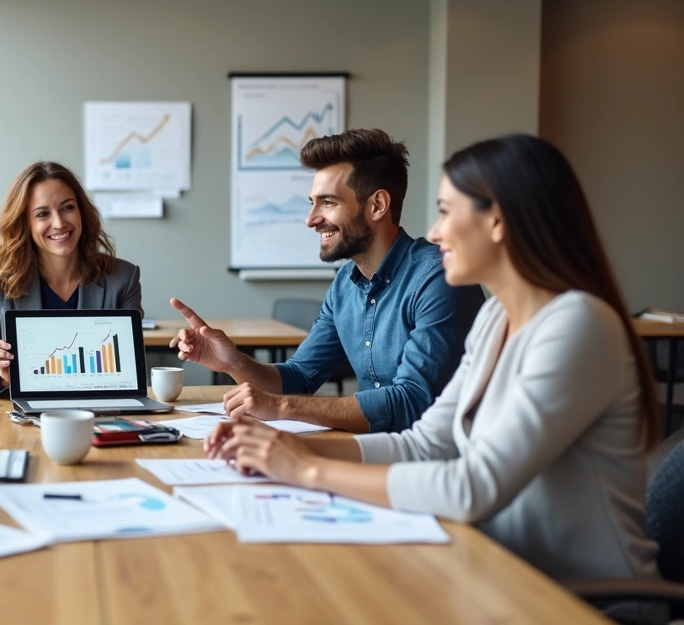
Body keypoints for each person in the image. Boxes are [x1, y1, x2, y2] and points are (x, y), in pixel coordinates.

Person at [205, 134, 663, 602]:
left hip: (579, 600)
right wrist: (275, 448)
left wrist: (306, 469)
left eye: (446, 211)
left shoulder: (578, 325)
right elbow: (426, 443)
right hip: (494, 572)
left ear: (498, 221)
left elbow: (473, 485)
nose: (436, 230)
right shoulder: (495, 319)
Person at [171, 129, 485, 432]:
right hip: (376, 451)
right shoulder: (345, 286)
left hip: (436, 466)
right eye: (312, 202)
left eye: (329, 202)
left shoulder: (439, 278)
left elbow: (411, 403)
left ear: (377, 205)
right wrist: (232, 363)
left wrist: (284, 408)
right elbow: (297, 378)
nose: (312, 219)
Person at [0, 161, 141, 397]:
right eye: (43, 214)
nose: (59, 223)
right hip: (26, 415)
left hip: (99, 412)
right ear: (26, 223)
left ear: (82, 211)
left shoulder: (123, 278)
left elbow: (129, 370)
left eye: (67, 208)